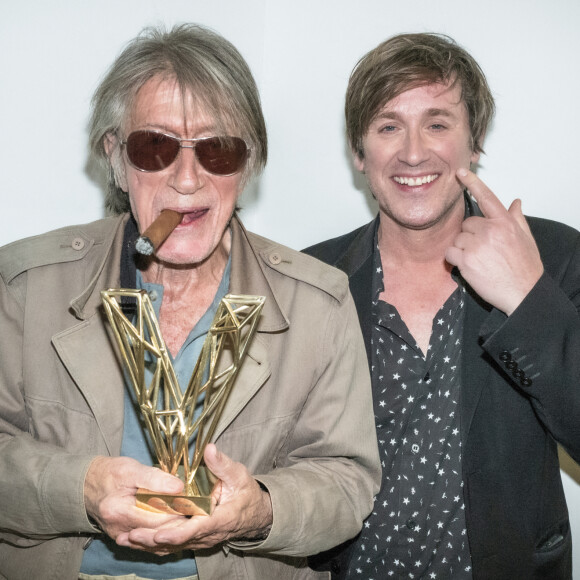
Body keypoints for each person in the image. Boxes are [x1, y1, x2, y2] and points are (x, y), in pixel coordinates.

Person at [0, 24, 380, 580]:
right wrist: (79, 488)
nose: (185, 178)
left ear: (246, 166)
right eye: (153, 147)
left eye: (217, 149)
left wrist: (260, 510)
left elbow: (347, 483)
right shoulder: (28, 286)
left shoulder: (316, 303)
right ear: (115, 158)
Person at [305, 32, 580, 579]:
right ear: (360, 153)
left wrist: (528, 299)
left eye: (437, 123)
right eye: (388, 127)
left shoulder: (553, 256)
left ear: (473, 142)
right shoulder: (313, 280)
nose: (412, 151)